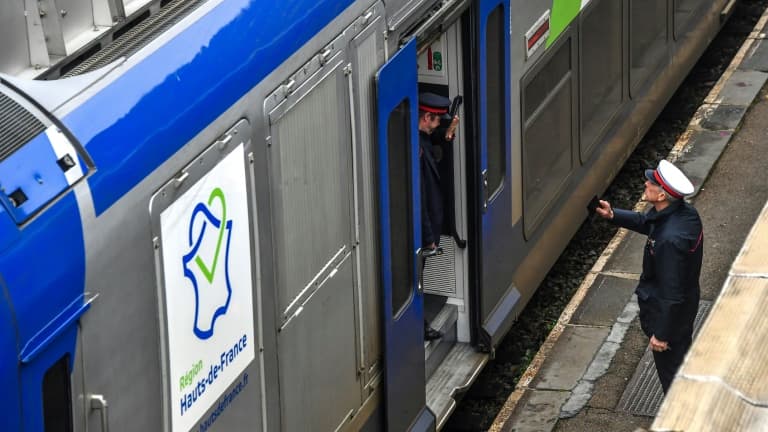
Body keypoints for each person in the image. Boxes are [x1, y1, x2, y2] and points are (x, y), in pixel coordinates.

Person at [594, 160, 703, 393]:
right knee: (681, 367)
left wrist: (662, 334)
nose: (646, 182)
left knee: (673, 379)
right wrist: (613, 215)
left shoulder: (669, 241)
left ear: (662, 195)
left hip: (671, 319)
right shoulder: (685, 214)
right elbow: (649, 222)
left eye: (651, 182)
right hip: (685, 310)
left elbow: (672, 292)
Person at [418, 92, 459, 341]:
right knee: (417, 281)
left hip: (425, 229)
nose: (438, 125)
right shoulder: (417, 150)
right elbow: (420, 200)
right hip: (422, 233)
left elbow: (435, 149)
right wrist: (429, 238)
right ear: (427, 117)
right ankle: (420, 328)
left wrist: (449, 133)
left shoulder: (420, 140)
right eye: (436, 121)